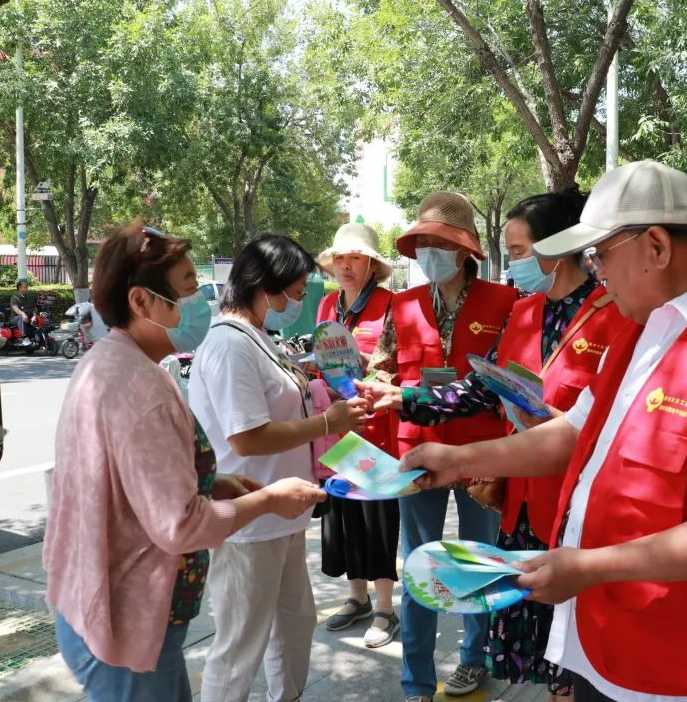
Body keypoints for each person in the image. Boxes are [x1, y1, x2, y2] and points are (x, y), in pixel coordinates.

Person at [398, 160, 687, 702]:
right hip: (605, 631)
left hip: (677, 653)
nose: (596, 270)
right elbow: (572, 433)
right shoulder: (642, 331)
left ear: (656, 247)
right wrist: (459, 460)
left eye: (602, 253)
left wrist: (588, 567)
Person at [44, 222, 326, 701]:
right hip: (126, 615)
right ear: (141, 301)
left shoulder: (114, 364)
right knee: (240, 648)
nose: (201, 303)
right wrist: (268, 499)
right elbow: (180, 524)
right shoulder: (141, 387)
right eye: (189, 288)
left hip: (116, 606)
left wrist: (210, 482)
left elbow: (134, 484)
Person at [360, 190, 622, 701]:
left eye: (519, 251)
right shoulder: (524, 312)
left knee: (578, 647)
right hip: (522, 499)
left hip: (577, 506)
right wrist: (406, 398)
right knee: (540, 636)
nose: (513, 263)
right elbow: (481, 388)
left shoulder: (614, 315)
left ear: (557, 247)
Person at [189, 234, 368, 702]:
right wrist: (326, 423)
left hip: (282, 512)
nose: (299, 300)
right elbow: (247, 436)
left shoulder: (258, 339)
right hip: (249, 518)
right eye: (296, 289)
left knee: (293, 625)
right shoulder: (230, 345)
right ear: (265, 285)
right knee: (240, 646)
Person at [368, 191, 518, 702]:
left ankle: (474, 660)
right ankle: (415, 680)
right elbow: (383, 365)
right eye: (423, 243)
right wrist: (371, 382)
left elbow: (508, 378)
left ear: (465, 249)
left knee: (479, 561)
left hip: (482, 452)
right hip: (417, 451)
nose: (429, 252)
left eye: (440, 243)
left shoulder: (505, 302)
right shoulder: (403, 304)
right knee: (419, 565)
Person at [313, 222, 401, 648]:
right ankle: (357, 597)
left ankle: (385, 607)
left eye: (356, 258)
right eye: (340, 258)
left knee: (377, 519)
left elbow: (398, 366)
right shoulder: (326, 304)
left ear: (372, 265)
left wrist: (366, 367)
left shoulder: (391, 305)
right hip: (336, 428)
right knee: (344, 515)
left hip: (377, 431)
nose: (346, 265)